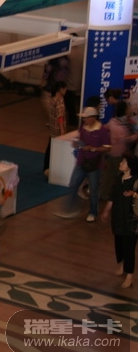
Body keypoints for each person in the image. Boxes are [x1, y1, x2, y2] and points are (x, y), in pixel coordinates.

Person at [55, 106, 111, 222]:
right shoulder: (83, 127)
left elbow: (107, 147)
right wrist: (77, 144)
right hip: (81, 161)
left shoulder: (101, 131)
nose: (84, 120)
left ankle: (92, 212)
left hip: (94, 164)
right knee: (73, 184)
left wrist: (93, 149)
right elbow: (81, 141)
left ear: (93, 118)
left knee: (93, 190)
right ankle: (70, 209)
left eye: (86, 118)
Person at [101, 155, 138, 289]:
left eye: (124, 162)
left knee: (129, 247)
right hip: (118, 218)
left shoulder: (136, 181)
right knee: (119, 244)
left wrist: (134, 194)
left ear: (130, 166)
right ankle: (123, 265)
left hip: (131, 220)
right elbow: (112, 196)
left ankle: (130, 275)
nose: (121, 163)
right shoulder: (118, 178)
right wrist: (106, 211)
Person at [102, 101, 138, 202]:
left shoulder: (114, 121)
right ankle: (110, 197)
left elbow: (104, 128)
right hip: (118, 155)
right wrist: (136, 136)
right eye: (128, 108)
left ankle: (105, 194)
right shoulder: (118, 126)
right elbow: (125, 139)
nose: (130, 109)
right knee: (116, 177)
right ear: (125, 110)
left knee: (108, 176)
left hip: (113, 153)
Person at [43, 81, 67, 176]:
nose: (66, 90)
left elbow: (51, 113)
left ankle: (46, 166)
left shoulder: (52, 99)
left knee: (50, 147)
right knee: (56, 149)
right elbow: (60, 116)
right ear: (61, 89)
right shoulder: (60, 101)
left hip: (52, 128)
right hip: (57, 129)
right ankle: (52, 168)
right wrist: (62, 129)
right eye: (65, 88)